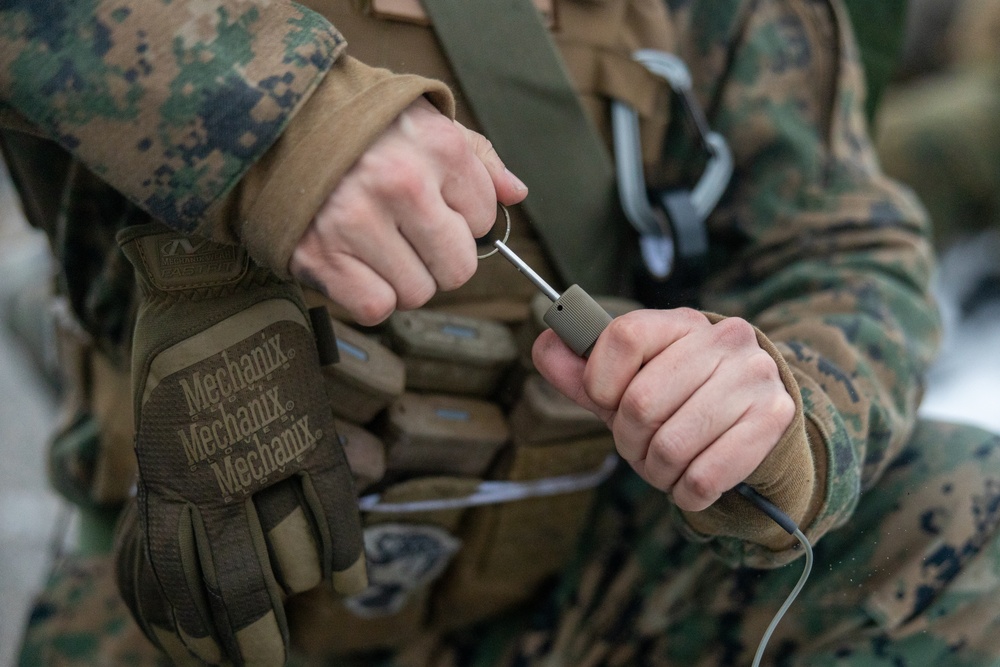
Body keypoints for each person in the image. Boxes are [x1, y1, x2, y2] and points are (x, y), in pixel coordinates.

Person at [2, 1, 999, 666]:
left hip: (578, 593)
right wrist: (277, 124)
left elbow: (840, 240)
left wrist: (784, 410)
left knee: (958, 512)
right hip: (195, 619)